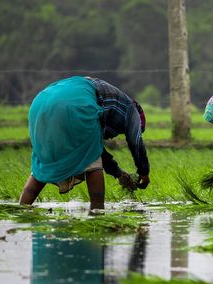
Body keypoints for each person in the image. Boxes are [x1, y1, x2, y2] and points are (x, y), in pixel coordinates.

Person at [19, 76, 150, 209]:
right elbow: (136, 142)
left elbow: (97, 149)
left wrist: (119, 174)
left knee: (44, 161)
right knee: (93, 164)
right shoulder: (132, 110)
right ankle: (97, 211)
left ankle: (22, 209)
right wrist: (144, 172)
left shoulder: (105, 97)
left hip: (40, 104)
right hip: (76, 106)